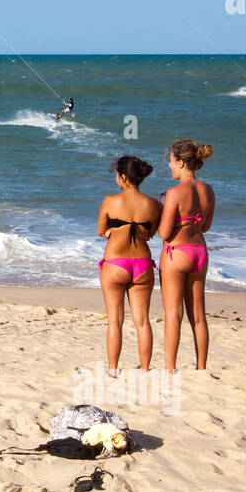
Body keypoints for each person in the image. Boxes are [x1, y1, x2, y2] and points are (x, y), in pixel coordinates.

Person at [97, 156, 162, 374]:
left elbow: (101, 230)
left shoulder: (110, 201)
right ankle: (145, 369)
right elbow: (151, 233)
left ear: (123, 177)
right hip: (142, 264)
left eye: (117, 174)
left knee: (115, 321)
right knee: (142, 321)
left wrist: (112, 231)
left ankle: (113, 370)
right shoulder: (154, 205)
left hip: (115, 263)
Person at [158, 139, 215, 371]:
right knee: (199, 316)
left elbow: (164, 232)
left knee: (173, 314)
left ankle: (170, 369)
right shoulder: (208, 190)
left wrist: (161, 208)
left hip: (176, 253)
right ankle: (201, 367)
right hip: (199, 252)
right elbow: (206, 226)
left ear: (181, 163)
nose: (169, 166)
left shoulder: (174, 192)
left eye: (171, 162)